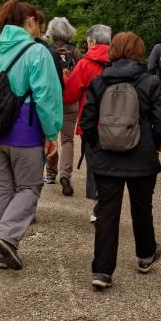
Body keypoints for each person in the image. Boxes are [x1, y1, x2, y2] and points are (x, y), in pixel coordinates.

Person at [0, 0, 63, 270]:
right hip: (25, 130)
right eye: (38, 24)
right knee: (29, 187)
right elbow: (46, 96)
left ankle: (1, 251)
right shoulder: (36, 52)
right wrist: (51, 132)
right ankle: (7, 238)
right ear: (30, 21)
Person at [79, 32, 161, 290]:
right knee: (142, 209)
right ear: (139, 52)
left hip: (107, 159)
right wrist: (150, 141)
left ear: (113, 51)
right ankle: (145, 255)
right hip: (142, 159)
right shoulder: (151, 82)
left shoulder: (99, 82)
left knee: (107, 213)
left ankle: (103, 271)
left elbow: (86, 123)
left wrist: (98, 145)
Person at [62, 24, 112, 220]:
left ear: (92, 41)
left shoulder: (85, 63)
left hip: (91, 122)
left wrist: (67, 79)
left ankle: (97, 205)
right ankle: (110, 202)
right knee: (112, 163)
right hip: (116, 122)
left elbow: (70, 95)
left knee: (94, 163)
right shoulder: (118, 61)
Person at [44, 17, 81, 192]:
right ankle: (65, 173)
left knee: (49, 135)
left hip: (51, 101)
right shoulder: (75, 52)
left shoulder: (46, 50)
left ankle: (50, 172)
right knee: (67, 139)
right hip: (70, 100)